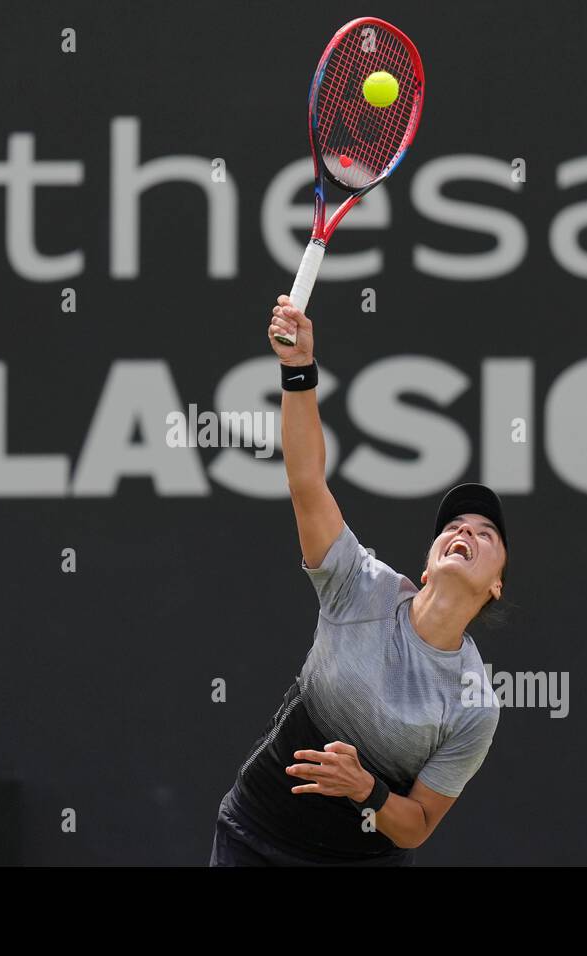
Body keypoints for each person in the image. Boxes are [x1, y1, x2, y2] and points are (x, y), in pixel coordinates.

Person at [208, 295, 510, 866]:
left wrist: (364, 788)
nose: (465, 532)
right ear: (426, 565)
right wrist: (297, 370)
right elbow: (306, 483)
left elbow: (416, 827)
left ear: (495, 586)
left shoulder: (473, 705)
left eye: (486, 533)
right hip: (253, 837)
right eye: (454, 526)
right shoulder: (362, 586)